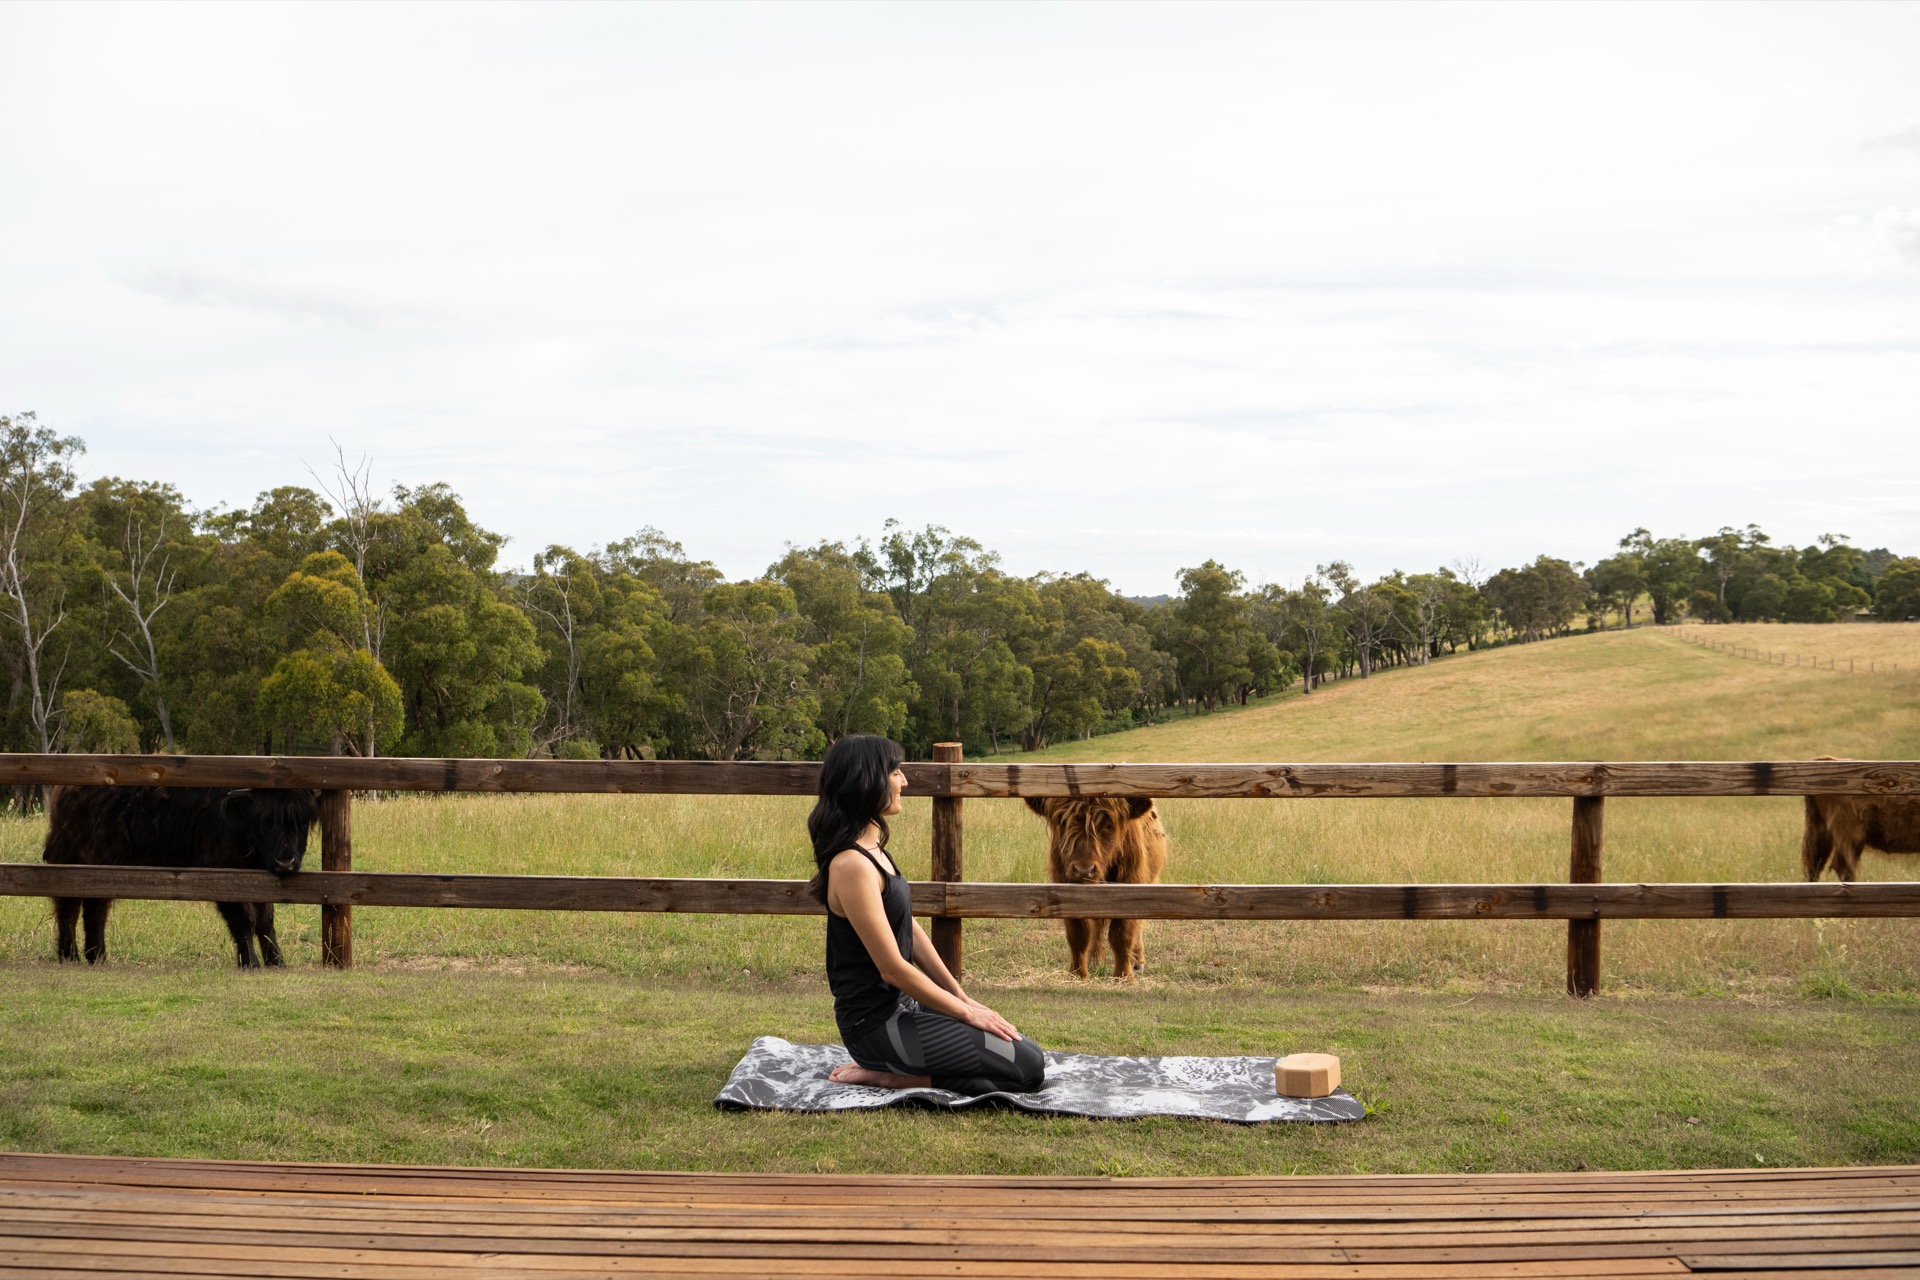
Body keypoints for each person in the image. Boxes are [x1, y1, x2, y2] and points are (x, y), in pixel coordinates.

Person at [808, 734, 1047, 1095]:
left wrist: (962, 999)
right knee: (1026, 1072)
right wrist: (965, 1014)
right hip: (875, 1026)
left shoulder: (874, 851)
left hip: (906, 1009)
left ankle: (894, 1068)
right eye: (895, 772)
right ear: (867, 779)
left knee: (1029, 1053)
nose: (904, 780)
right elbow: (892, 968)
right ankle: (889, 1075)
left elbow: (911, 931)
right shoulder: (851, 865)